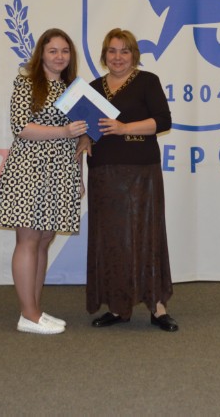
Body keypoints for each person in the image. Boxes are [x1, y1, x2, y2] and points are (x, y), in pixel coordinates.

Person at [0, 28, 87, 335]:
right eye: (53, 50)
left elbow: (80, 137)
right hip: (29, 169)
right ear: (41, 54)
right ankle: (28, 314)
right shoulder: (27, 82)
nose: (59, 56)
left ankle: (35, 310)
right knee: (28, 240)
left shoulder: (73, 89)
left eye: (64, 51)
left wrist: (78, 176)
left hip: (61, 172)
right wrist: (63, 132)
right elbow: (21, 126)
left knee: (44, 239)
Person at [85, 28, 177, 331]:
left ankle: (158, 308)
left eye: (124, 51)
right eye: (112, 51)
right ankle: (117, 307)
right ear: (104, 55)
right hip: (103, 173)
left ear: (134, 55)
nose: (118, 57)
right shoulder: (92, 88)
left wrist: (124, 128)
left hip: (141, 171)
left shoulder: (148, 81)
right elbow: (86, 128)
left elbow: (163, 121)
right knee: (111, 239)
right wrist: (83, 138)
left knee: (147, 235)